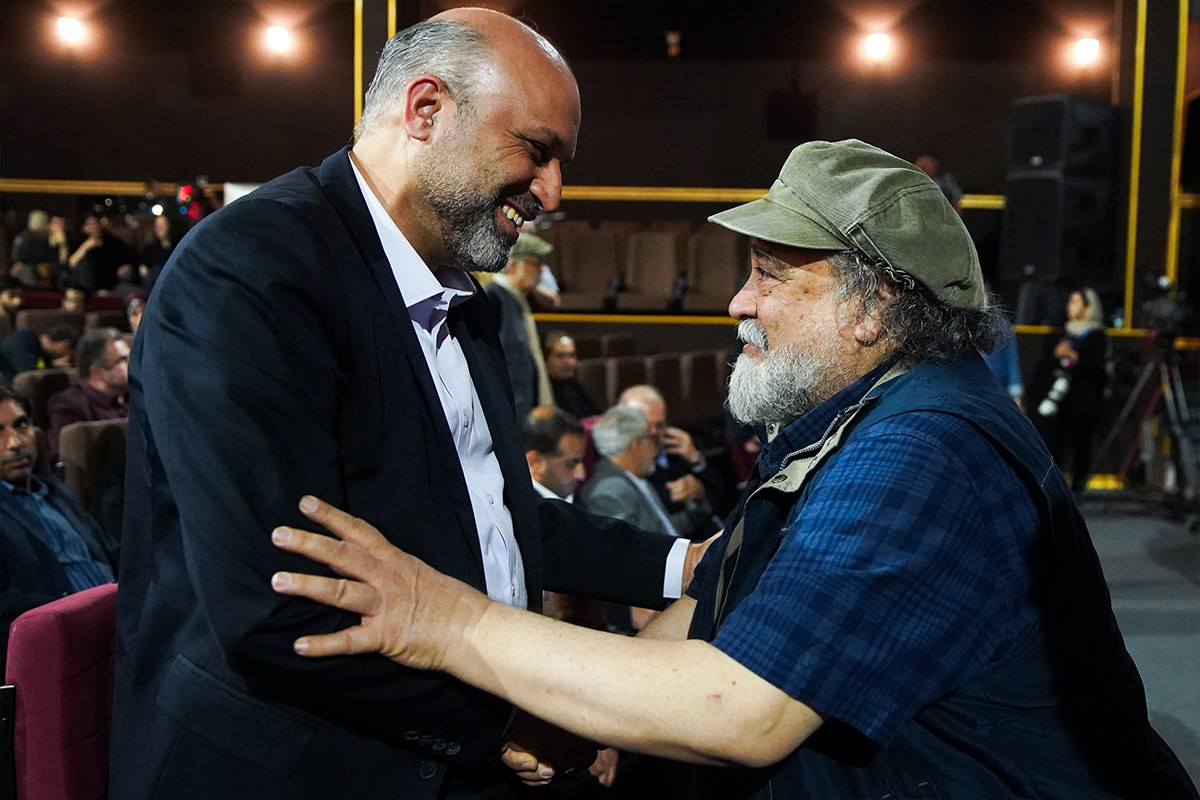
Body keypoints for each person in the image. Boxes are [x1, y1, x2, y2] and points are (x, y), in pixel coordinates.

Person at [269, 140, 1199, 800]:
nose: (737, 301)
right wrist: (586, 716)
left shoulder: (927, 450)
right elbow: (724, 598)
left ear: (873, 306)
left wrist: (445, 621)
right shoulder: (862, 416)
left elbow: (739, 710)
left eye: (770, 274)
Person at [111, 10, 705, 800]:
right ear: (425, 109)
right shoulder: (249, 271)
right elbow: (280, 599)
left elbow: (495, 516)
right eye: (537, 150)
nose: (553, 192)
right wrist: (505, 724)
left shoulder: (462, 296)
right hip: (295, 766)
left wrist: (682, 565)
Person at [0, 386, 117, 666]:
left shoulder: (57, 492)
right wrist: (82, 612)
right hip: (61, 649)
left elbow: (113, 552)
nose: (15, 442)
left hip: (118, 628)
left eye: (21, 425)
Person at [618, 384, 725, 537]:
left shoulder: (675, 448)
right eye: (646, 425)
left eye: (659, 425)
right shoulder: (627, 466)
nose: (654, 433)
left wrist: (695, 459)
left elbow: (722, 497)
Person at [1037, 287, 1108, 494]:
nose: (1070, 307)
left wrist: (1072, 355)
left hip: (1084, 401)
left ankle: (1078, 485)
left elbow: (1094, 366)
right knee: (1056, 442)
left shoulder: (1096, 335)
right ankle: (1055, 483)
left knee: (1081, 444)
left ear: (1087, 308)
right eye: (1069, 302)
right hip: (1062, 399)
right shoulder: (1066, 332)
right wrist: (1057, 354)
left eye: (1075, 302)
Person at [485, 232, 555, 422]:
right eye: (535, 263)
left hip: (522, 409)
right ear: (512, 265)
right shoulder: (494, 296)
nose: (540, 270)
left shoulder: (516, 298)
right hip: (508, 412)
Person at [45, 330, 129, 464]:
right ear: (97, 371)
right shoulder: (69, 405)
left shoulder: (135, 398)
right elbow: (69, 461)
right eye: (123, 360)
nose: (133, 365)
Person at [543, 330, 602, 419]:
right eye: (560, 356)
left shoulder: (576, 385)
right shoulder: (543, 389)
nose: (568, 362)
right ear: (546, 358)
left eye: (571, 355)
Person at [0, 322, 79, 380]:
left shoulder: (43, 352)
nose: (67, 358)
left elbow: (40, 366)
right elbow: (29, 376)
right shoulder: (24, 339)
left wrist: (52, 365)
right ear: (64, 344)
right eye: (69, 355)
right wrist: (52, 367)